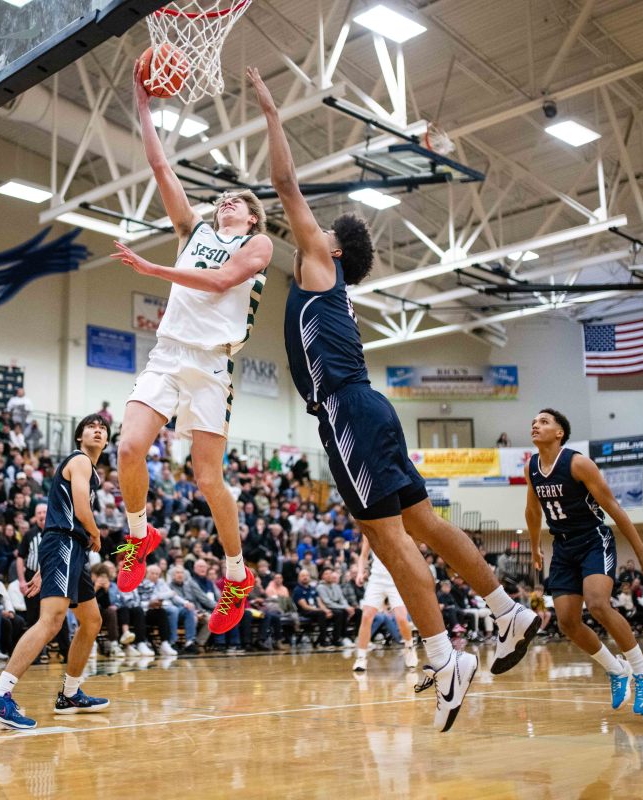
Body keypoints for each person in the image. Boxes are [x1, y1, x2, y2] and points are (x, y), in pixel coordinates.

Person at [247, 67, 537, 732]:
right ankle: (506, 609)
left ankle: (444, 659)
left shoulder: (322, 264)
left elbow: (285, 185)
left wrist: (270, 113)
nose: (301, 238)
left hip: (348, 410)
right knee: (426, 527)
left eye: (313, 235)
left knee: (387, 537)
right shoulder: (331, 288)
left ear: (334, 247)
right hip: (367, 407)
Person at [106, 59, 275, 640]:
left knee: (208, 480)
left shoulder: (258, 245)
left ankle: (235, 573)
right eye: (222, 197)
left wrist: (154, 268)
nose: (226, 201)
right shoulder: (193, 231)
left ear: (252, 215)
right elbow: (159, 164)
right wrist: (143, 103)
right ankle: (138, 532)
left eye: (237, 199)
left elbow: (223, 281)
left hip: (211, 366)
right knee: (127, 445)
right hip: (168, 353)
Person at [525, 408, 643, 716]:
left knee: (599, 604)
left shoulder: (577, 463)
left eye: (544, 421)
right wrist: (536, 546)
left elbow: (613, 506)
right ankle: (616, 670)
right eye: (534, 422)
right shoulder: (532, 467)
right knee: (567, 622)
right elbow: (533, 511)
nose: (536, 425)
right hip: (562, 548)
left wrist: (641, 552)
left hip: (592, 539)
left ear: (559, 432)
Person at [0, 414, 112, 729]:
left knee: (92, 621)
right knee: (51, 621)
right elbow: (80, 509)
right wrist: (96, 533)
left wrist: (54, 562)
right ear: (80, 437)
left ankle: (70, 693)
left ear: (107, 440)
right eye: (91, 426)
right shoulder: (79, 460)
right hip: (66, 543)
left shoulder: (91, 471)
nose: (97, 430)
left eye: (102, 428)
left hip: (71, 549)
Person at [352, 537, 417, 673]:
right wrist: (359, 572)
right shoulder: (369, 528)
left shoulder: (397, 525)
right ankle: (361, 657)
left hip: (396, 578)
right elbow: (363, 555)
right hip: (376, 579)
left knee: (401, 618)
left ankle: (410, 647)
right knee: (366, 617)